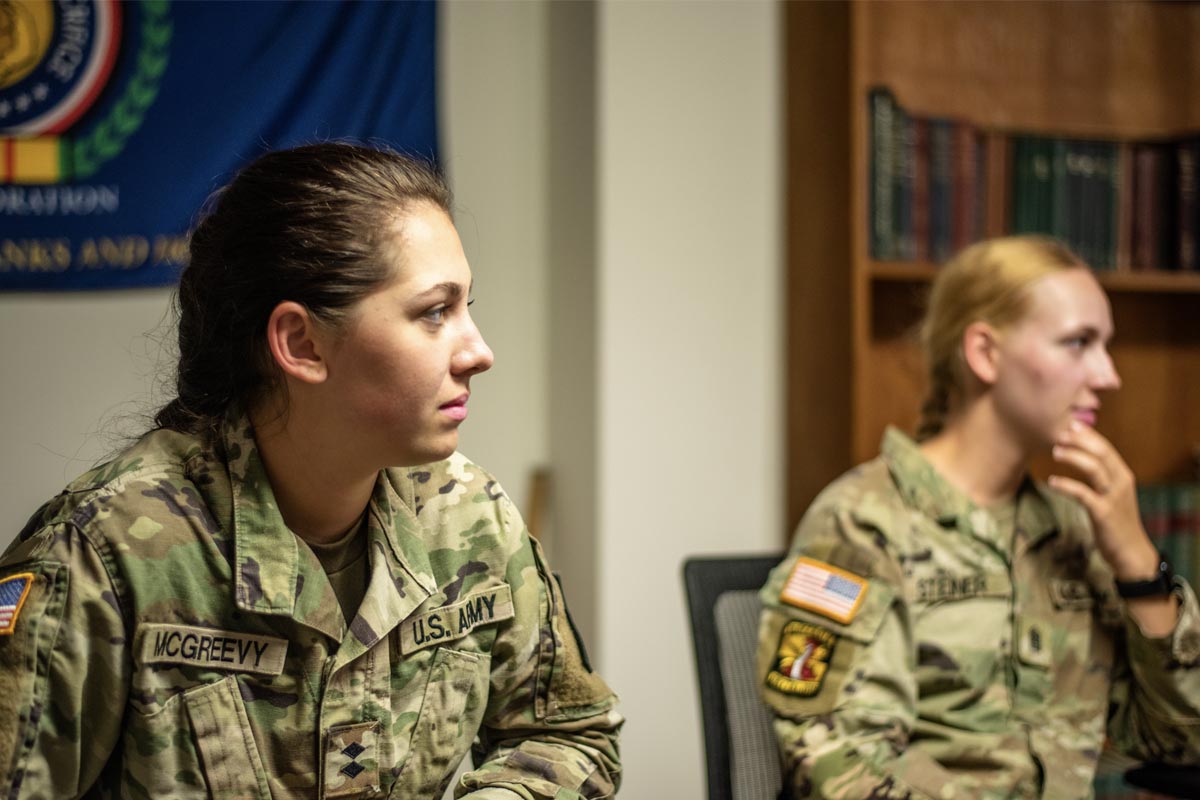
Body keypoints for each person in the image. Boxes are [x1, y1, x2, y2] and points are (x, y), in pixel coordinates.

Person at [0, 142, 622, 799]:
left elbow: (568, 734)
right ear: (301, 343)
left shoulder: (466, 514)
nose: (479, 351)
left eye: (467, 307)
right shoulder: (102, 552)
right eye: (435, 313)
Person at [756, 235, 1200, 799]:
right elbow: (838, 769)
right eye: (1078, 343)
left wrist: (1140, 567)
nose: (1108, 375)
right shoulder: (861, 523)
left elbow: (1179, 743)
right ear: (985, 353)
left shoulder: (1071, 526)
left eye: (1105, 345)